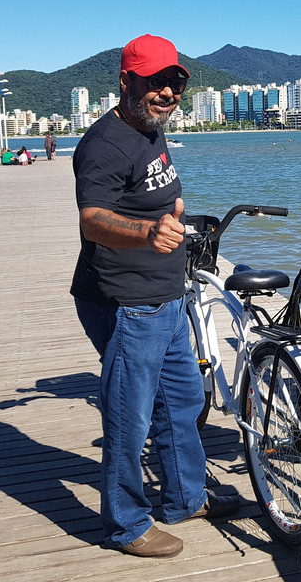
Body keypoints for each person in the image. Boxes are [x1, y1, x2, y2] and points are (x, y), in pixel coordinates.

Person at [70, 34, 239, 559]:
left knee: (184, 400)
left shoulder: (151, 132)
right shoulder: (102, 143)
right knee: (130, 413)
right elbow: (92, 219)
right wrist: (145, 234)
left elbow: (154, 189)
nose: (166, 92)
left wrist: (173, 206)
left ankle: (185, 498)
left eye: (174, 83)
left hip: (165, 295)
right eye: (154, 82)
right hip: (124, 300)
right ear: (126, 82)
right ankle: (126, 524)